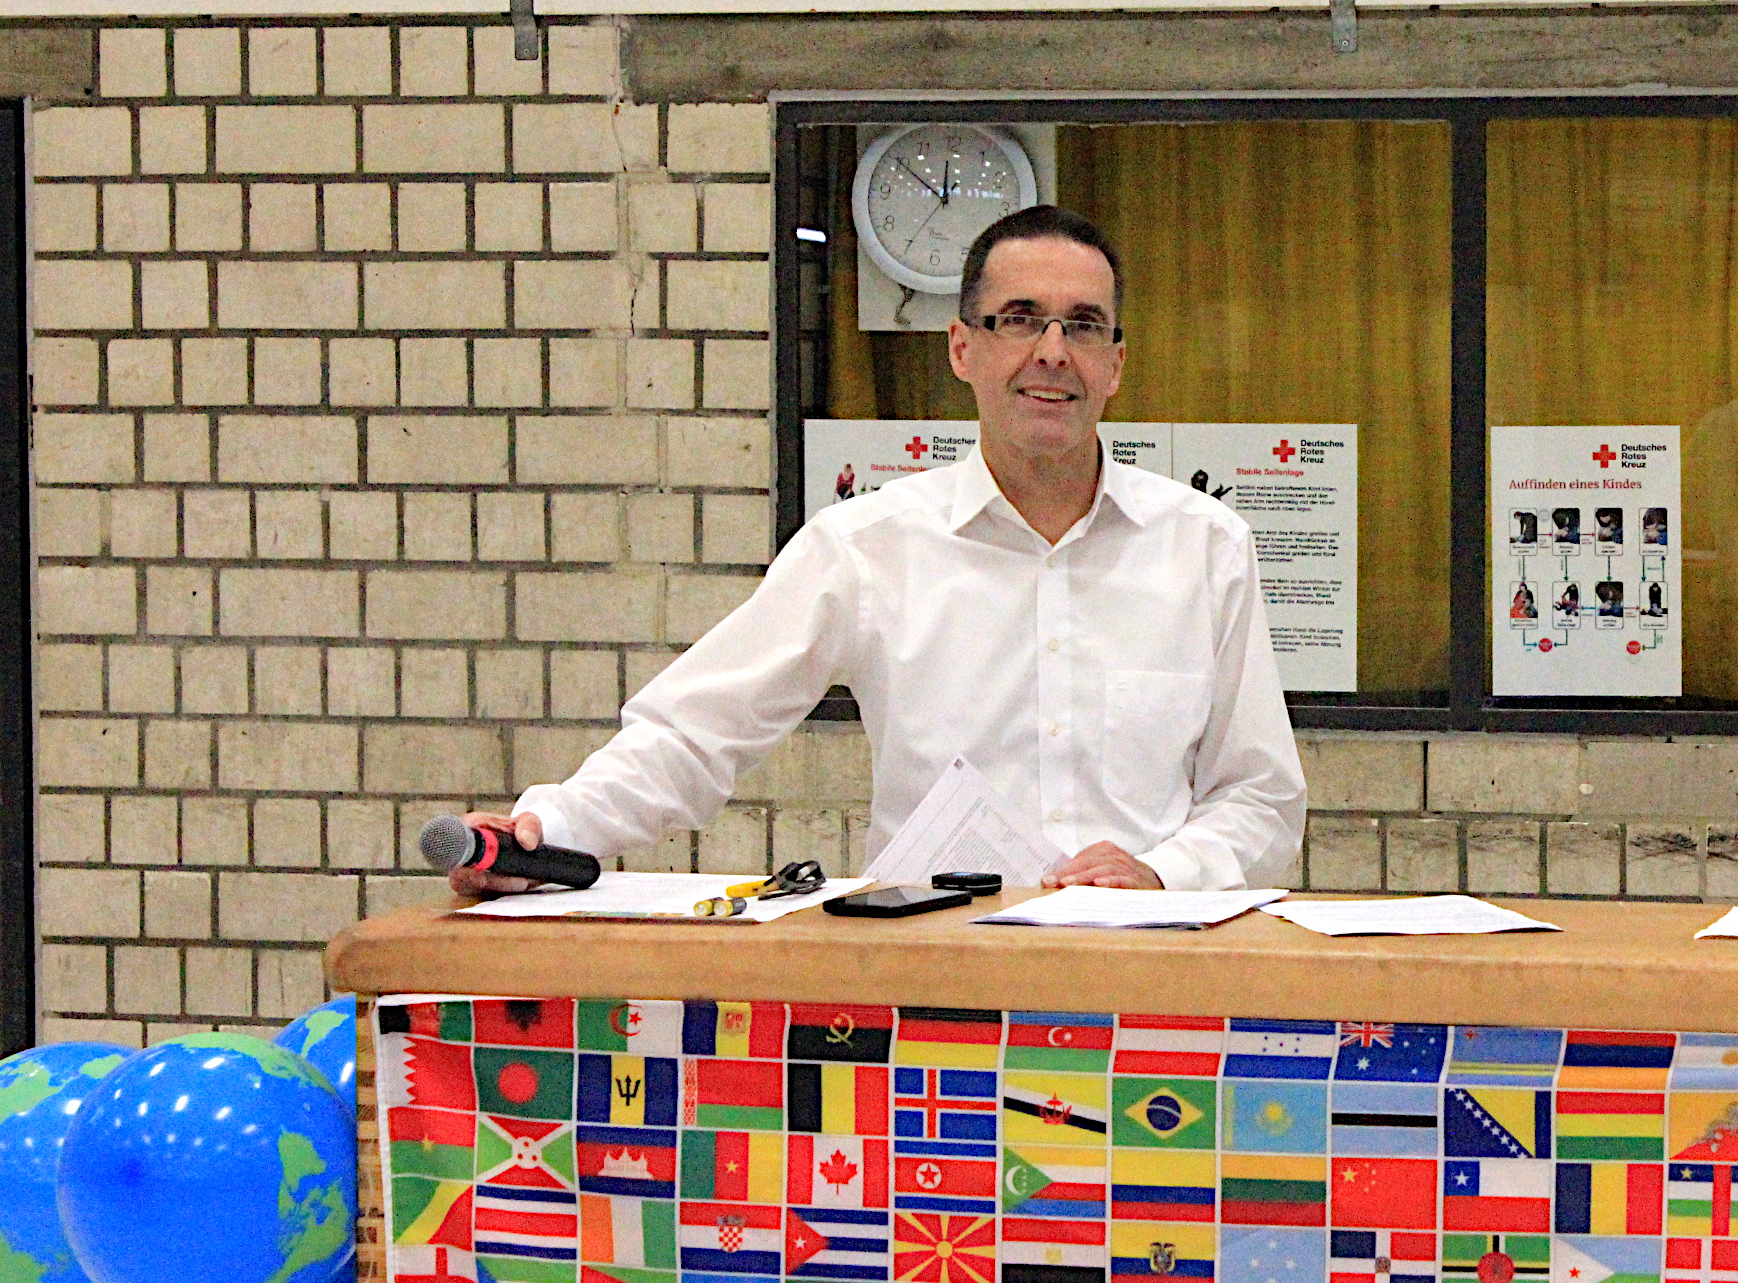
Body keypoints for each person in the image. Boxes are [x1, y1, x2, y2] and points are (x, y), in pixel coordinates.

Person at [449, 204, 1305, 894]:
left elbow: (1262, 797)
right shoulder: (866, 547)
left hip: (1151, 983)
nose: (1052, 352)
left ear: (1114, 364)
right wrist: (547, 834)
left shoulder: (1205, 548)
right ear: (963, 348)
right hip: (931, 985)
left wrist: (1161, 873)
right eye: (1019, 320)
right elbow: (694, 734)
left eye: (1083, 327)